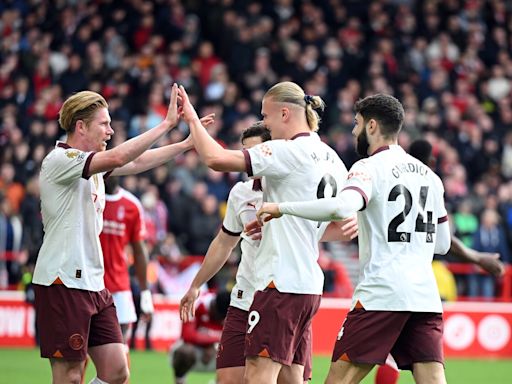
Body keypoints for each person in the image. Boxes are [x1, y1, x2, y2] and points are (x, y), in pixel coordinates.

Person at [256, 94, 452, 384]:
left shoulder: (367, 168)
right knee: (433, 379)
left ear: (372, 126)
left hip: (382, 294)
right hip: (425, 297)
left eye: (357, 124)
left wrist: (282, 208)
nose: (353, 131)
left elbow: (341, 207)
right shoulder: (430, 177)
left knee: (338, 381)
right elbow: (442, 244)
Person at [32, 84, 213, 384]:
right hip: (62, 281)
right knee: (70, 377)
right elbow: (118, 158)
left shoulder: (94, 167)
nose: (110, 131)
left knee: (117, 371)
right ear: (81, 127)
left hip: (94, 282)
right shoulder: (60, 161)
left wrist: (184, 145)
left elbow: (137, 161)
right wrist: (166, 124)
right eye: (104, 124)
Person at [178, 81, 349, 383]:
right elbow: (343, 221)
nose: (265, 124)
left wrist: (191, 119)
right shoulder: (332, 158)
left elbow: (216, 159)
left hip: (279, 283)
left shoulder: (287, 151)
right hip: (307, 285)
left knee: (258, 376)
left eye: (266, 117)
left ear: (285, 113)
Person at [100, 176, 153, 352]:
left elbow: (139, 250)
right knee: (81, 350)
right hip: (89, 283)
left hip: (119, 285)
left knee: (120, 349)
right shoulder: (87, 197)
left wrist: (145, 292)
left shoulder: (131, 204)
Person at [171, 291, 231, 384]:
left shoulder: (233, 311)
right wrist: (213, 342)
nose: (221, 321)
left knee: (242, 355)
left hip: (218, 352)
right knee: (184, 352)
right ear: (213, 306)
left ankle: (220, 381)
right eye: (220, 317)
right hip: (194, 349)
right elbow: (188, 335)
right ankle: (180, 380)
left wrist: (215, 346)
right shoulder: (196, 303)